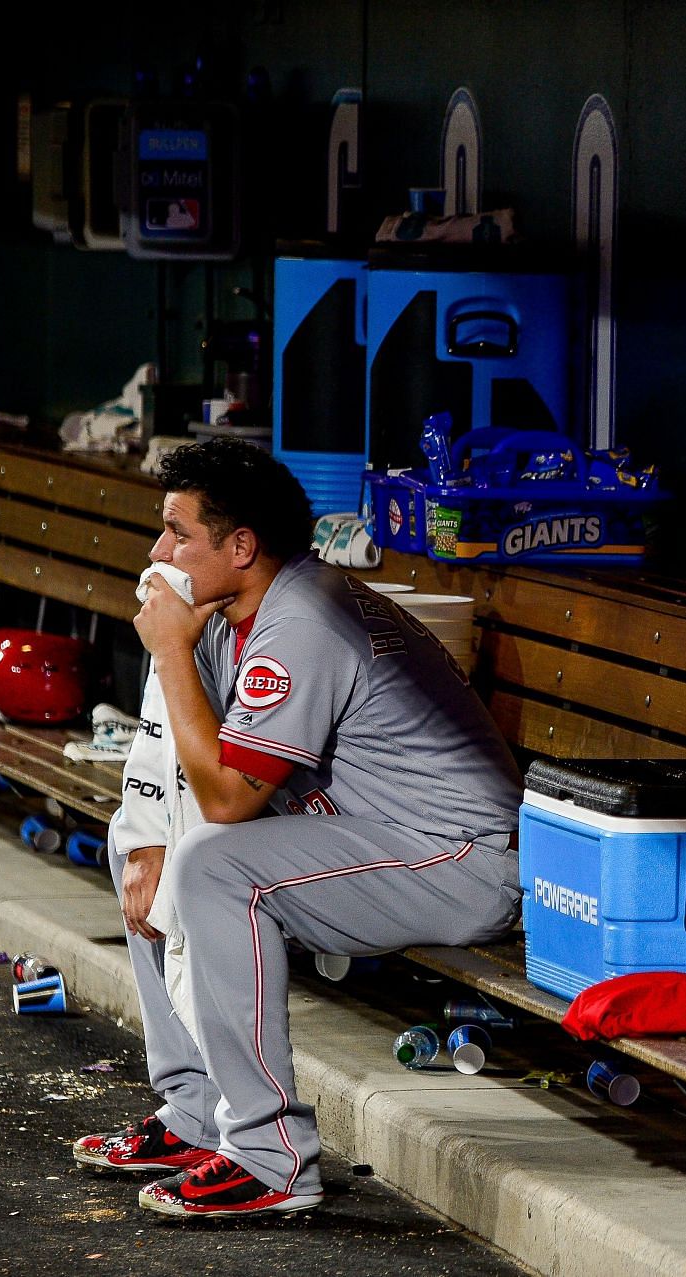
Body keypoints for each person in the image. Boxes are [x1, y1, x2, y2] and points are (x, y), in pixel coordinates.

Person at [71, 438, 524, 1218]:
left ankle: (269, 1154)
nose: (159, 551)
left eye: (179, 532)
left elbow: (226, 800)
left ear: (241, 546)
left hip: (461, 860)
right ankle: (195, 1111)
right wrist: (146, 828)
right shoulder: (230, 609)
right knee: (138, 843)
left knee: (212, 863)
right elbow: (168, 729)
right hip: (377, 835)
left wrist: (173, 648)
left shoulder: (303, 617)